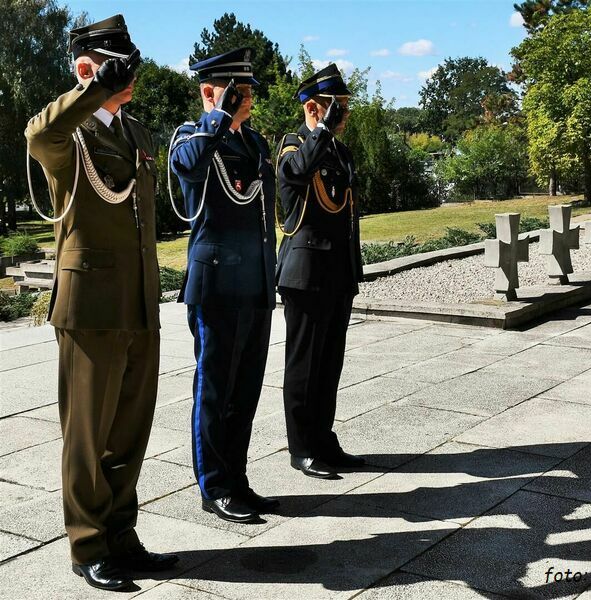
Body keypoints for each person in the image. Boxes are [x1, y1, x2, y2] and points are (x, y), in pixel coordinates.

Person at [24, 14, 177, 592]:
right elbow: (38, 136)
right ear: (86, 64)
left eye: (128, 62)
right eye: (114, 62)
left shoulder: (133, 134)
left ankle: (121, 534)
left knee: (130, 428)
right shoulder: (70, 134)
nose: (127, 73)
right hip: (89, 305)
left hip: (137, 301)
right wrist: (90, 90)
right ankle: (87, 544)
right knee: (87, 434)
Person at [169, 48, 278, 523]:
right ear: (211, 91)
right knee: (215, 388)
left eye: (249, 91)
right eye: (239, 92)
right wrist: (217, 116)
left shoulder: (252, 143)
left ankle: (237, 476)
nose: (247, 100)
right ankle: (213, 485)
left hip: (252, 282)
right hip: (214, 286)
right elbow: (189, 168)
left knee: (246, 387)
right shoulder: (192, 135)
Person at [276, 63, 365, 479]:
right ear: (315, 107)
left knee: (330, 364)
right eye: (337, 108)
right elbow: (296, 176)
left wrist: (352, 270)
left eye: (344, 108)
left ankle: (324, 439)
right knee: (304, 363)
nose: (343, 115)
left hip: (335, 273)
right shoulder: (293, 147)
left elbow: (347, 215)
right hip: (305, 273)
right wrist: (320, 129)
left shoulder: (339, 152)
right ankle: (302, 447)